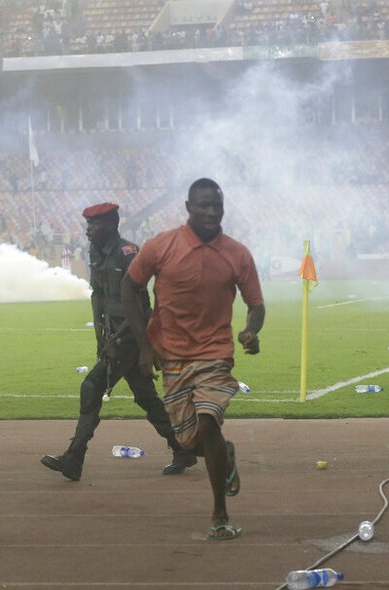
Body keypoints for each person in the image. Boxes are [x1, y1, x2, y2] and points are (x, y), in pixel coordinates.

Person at [121, 178, 265, 542]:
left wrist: (251, 331)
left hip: (215, 354)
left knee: (209, 421)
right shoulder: (161, 246)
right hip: (171, 353)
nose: (212, 212)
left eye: (217, 205)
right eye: (204, 205)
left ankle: (219, 513)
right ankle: (223, 456)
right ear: (188, 207)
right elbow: (129, 285)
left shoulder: (238, 254)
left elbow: (256, 305)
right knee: (188, 441)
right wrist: (143, 345)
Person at [41, 203, 196, 481]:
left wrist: (137, 345)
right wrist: (100, 335)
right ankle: (182, 448)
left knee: (91, 386)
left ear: (112, 224)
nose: (88, 231)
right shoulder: (96, 252)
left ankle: (75, 458)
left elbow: (138, 300)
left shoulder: (129, 253)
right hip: (114, 334)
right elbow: (97, 294)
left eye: (94, 225)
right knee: (145, 396)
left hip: (132, 334)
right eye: (88, 225)